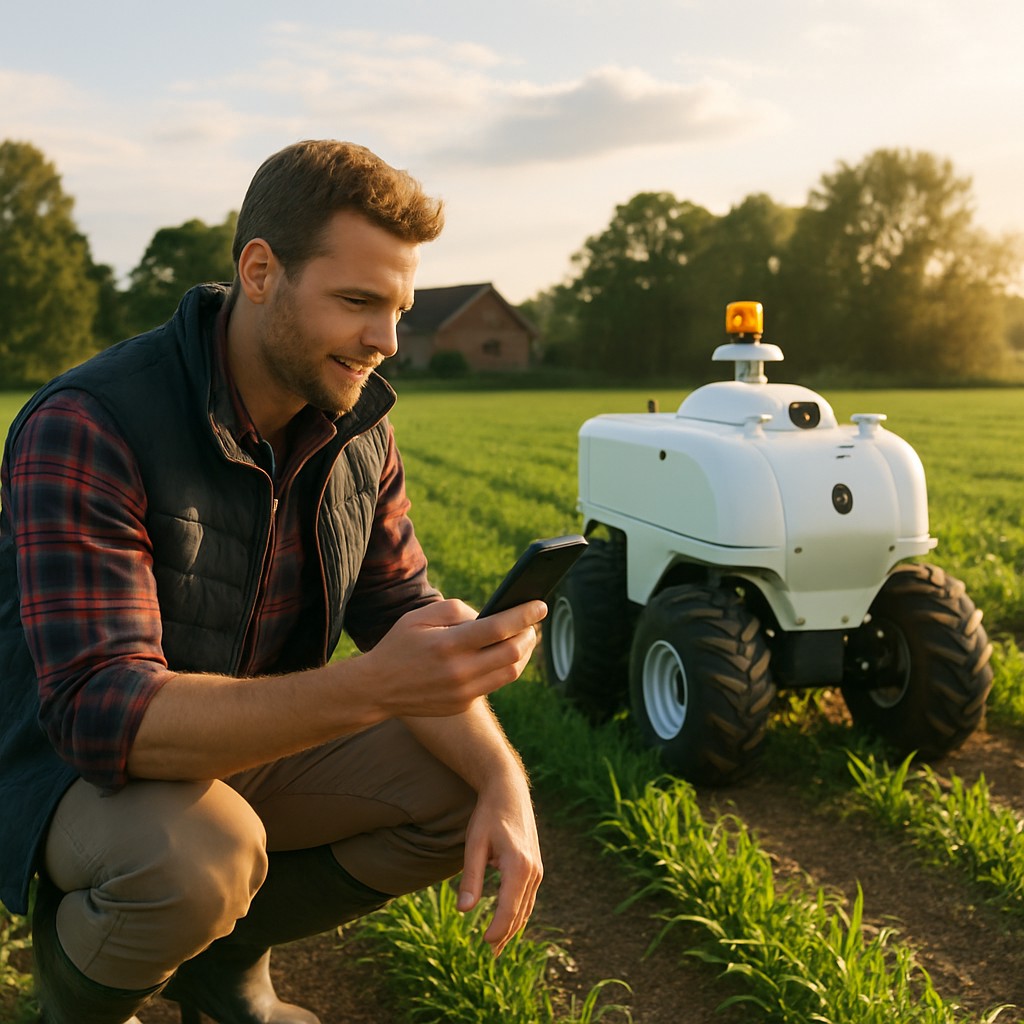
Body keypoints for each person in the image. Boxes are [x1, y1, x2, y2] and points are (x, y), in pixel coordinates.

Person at [0, 139, 547, 1024]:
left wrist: (504, 783)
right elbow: (102, 714)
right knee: (199, 858)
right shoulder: (92, 422)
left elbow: (402, 611)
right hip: (71, 770)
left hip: (244, 738)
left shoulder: (356, 427)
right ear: (260, 271)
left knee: (459, 784)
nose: (387, 341)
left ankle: (223, 967)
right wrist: (373, 686)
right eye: (358, 302)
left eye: (398, 308)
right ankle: (75, 992)